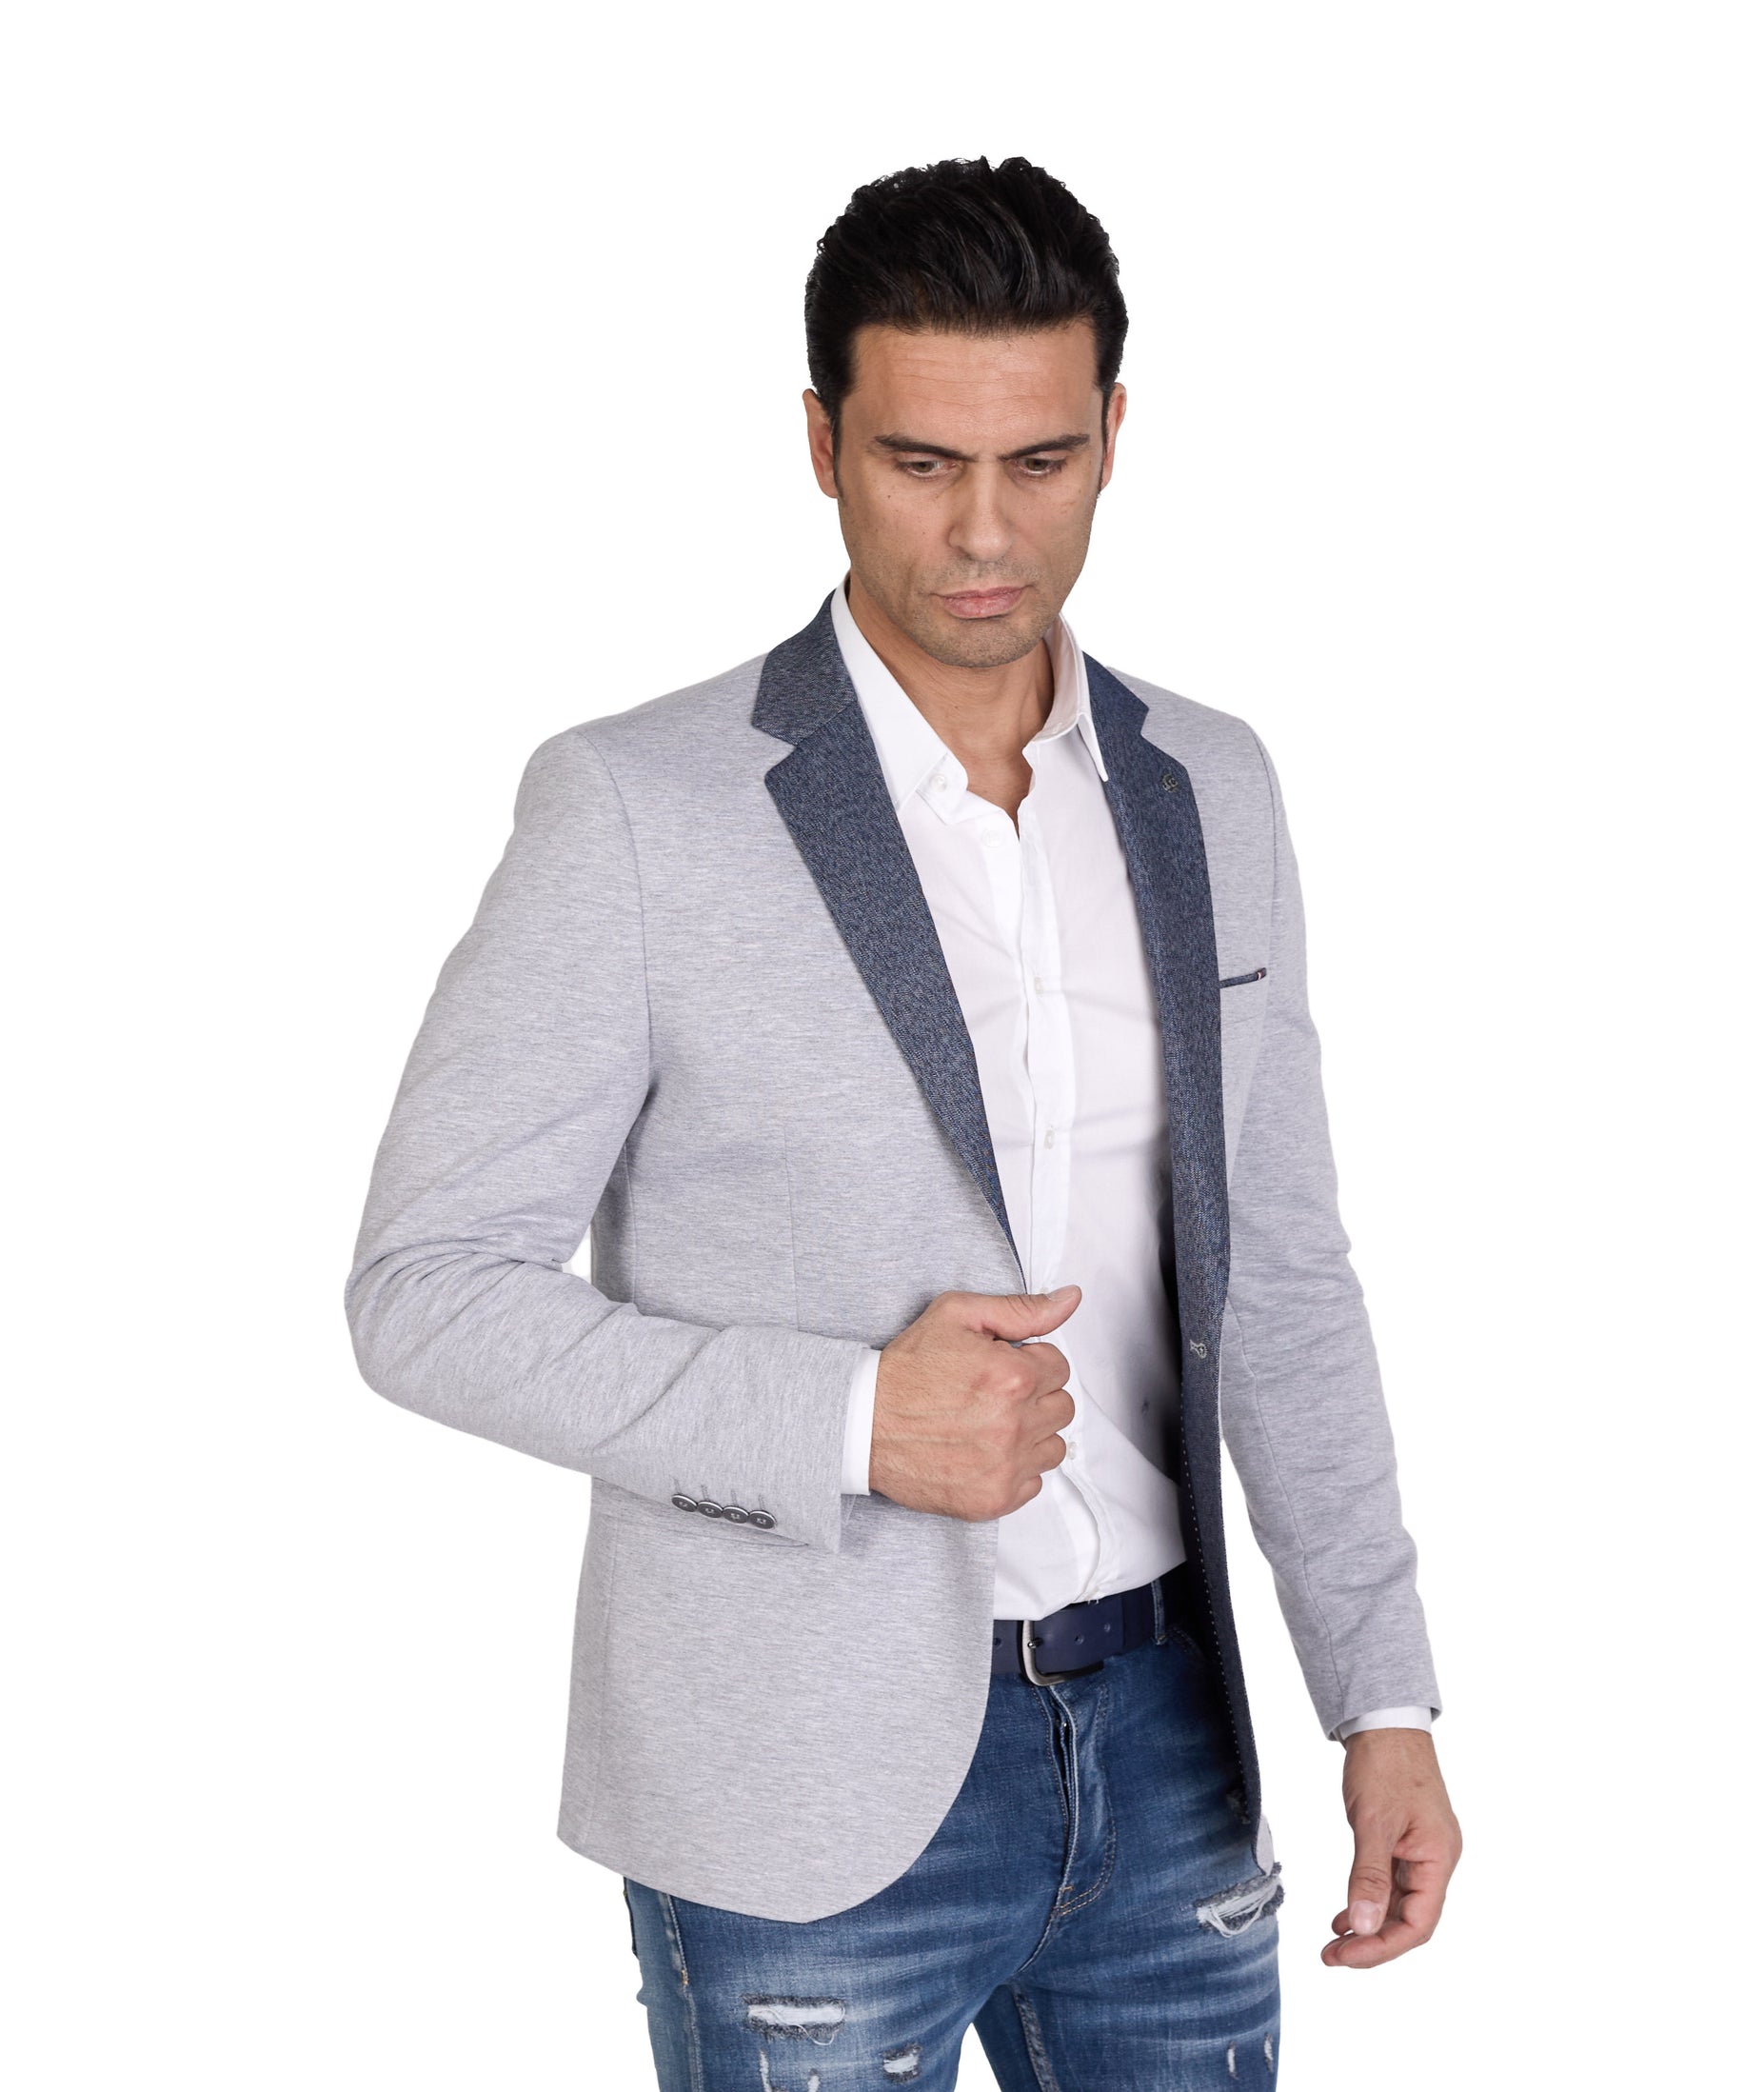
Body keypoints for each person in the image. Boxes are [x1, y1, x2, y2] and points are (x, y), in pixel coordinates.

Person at [347, 154, 1459, 2089]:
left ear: (1113, 434)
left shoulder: (1209, 784)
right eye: (919, 462)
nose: (983, 532)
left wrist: (1382, 1694)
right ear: (821, 444)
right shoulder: (637, 810)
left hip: (1175, 1750)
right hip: (795, 1785)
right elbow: (423, 1290)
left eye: (1039, 462)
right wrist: (854, 1418)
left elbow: (1282, 1270)